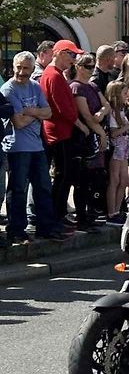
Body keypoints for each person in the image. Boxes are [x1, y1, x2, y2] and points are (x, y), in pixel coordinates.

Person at [1, 51, 66, 243]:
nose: (21, 72)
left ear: (31, 69)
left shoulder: (35, 87)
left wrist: (30, 111)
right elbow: (18, 122)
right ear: (13, 67)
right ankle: (16, 229)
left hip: (37, 146)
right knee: (18, 189)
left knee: (43, 187)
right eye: (18, 67)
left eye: (25, 68)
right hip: (17, 147)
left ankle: (46, 227)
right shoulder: (8, 89)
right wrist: (37, 113)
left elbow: (49, 112)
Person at [40, 39, 85, 224]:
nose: (73, 60)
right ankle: (56, 216)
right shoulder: (54, 75)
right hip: (58, 133)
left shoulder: (55, 74)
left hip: (60, 131)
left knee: (63, 175)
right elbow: (63, 108)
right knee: (63, 175)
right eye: (71, 54)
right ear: (59, 53)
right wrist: (80, 125)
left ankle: (58, 215)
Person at [70, 54, 111, 230]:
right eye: (87, 66)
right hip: (84, 138)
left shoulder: (93, 86)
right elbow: (86, 115)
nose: (91, 70)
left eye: (93, 66)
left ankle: (92, 212)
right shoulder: (76, 87)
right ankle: (81, 217)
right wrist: (101, 134)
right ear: (78, 67)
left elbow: (106, 105)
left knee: (96, 178)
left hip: (96, 135)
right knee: (83, 180)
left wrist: (101, 112)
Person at [105, 82, 129, 225]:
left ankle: (117, 210)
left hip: (124, 148)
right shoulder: (112, 112)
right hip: (116, 148)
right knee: (115, 180)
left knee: (124, 180)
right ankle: (111, 213)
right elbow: (114, 133)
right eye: (124, 93)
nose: (127, 96)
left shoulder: (121, 111)